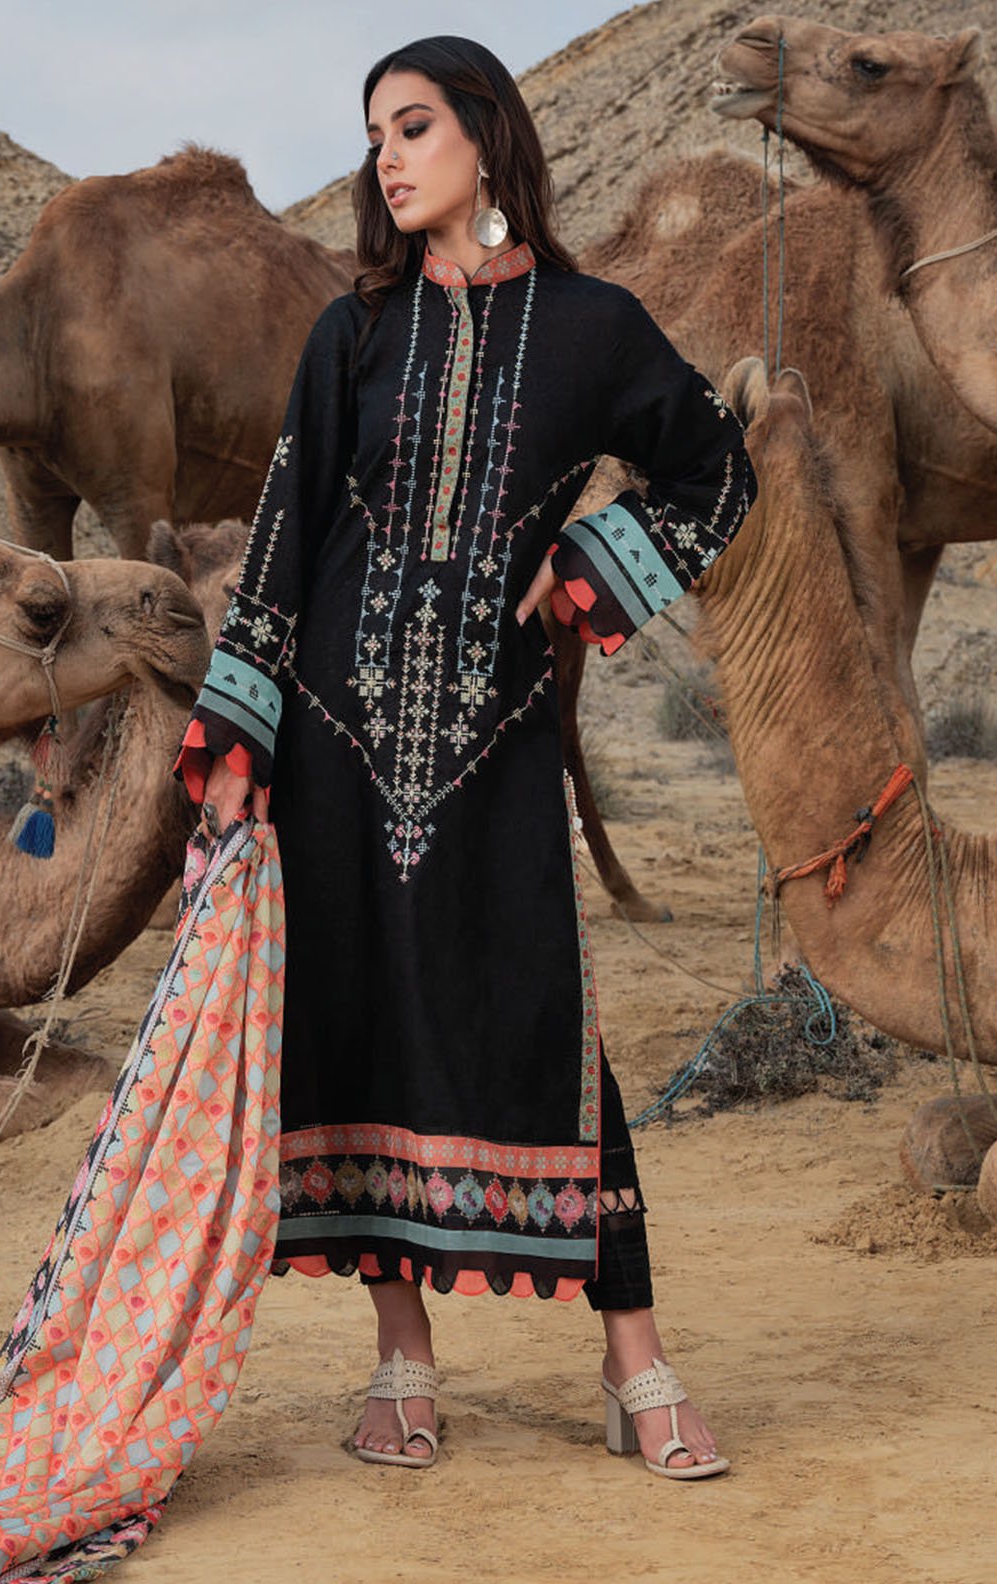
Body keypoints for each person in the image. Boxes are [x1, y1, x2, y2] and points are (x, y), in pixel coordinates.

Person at [176, 34, 755, 1478]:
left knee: (546, 1024)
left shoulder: (593, 327)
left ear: (486, 136)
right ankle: (403, 1352)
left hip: (490, 751)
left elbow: (716, 471)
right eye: (375, 131)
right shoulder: (351, 332)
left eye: (414, 125)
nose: (387, 155)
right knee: (358, 1023)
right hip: (333, 745)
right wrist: (238, 736)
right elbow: (283, 540)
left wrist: (589, 564)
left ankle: (634, 1356)